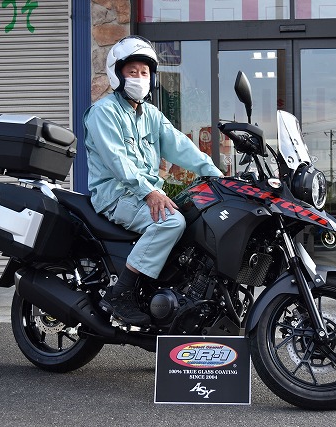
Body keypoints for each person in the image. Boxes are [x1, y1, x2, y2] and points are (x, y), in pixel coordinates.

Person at [83, 36, 223, 326]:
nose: (139, 78)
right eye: (132, 72)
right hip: (116, 196)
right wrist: (150, 192)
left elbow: (181, 147)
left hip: (143, 194)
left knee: (193, 216)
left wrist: (215, 175)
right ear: (117, 74)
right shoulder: (103, 112)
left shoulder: (151, 115)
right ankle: (121, 293)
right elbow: (118, 162)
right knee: (170, 222)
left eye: (144, 73)